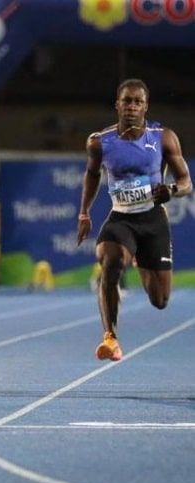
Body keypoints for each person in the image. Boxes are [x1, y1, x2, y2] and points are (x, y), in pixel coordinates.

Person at [77, 78, 191, 362]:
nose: (131, 106)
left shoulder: (163, 137)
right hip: (121, 219)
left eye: (137, 101)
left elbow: (186, 180)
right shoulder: (99, 142)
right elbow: (92, 175)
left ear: (145, 106)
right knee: (110, 260)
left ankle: (140, 257)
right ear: (117, 104)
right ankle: (110, 338)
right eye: (126, 100)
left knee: (160, 300)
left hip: (152, 220)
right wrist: (84, 212)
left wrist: (173, 190)